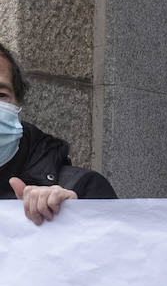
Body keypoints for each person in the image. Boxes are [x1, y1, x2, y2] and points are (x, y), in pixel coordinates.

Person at [0, 43, 116, 225]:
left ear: (18, 105)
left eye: (0, 94)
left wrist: (73, 217)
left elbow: (118, 247)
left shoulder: (82, 188)